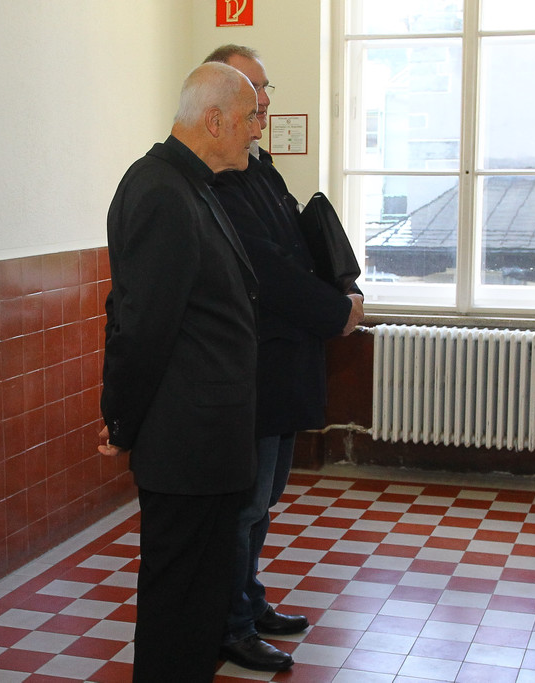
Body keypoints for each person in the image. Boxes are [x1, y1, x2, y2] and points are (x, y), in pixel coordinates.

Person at [202, 44, 365, 672]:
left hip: (285, 363)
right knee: (244, 505)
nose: (265, 101)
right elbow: (267, 271)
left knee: (263, 501)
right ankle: (231, 624)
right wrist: (336, 312)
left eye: (266, 88)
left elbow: (296, 242)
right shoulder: (218, 178)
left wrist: (340, 287)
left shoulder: (258, 166)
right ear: (220, 100)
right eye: (253, 90)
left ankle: (249, 601)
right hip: (253, 369)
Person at [98, 62, 263, 681]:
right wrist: (121, 421)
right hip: (185, 443)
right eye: (249, 117)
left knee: (201, 601)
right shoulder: (162, 191)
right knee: (178, 602)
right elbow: (141, 325)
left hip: (207, 442)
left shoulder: (190, 185)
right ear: (213, 120)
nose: (257, 129)